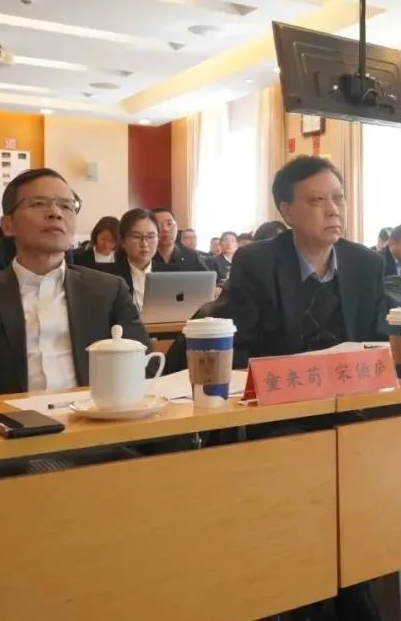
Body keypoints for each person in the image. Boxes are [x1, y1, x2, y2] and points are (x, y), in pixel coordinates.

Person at [165, 155, 385, 619]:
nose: (334, 210)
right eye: (317, 201)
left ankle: (347, 581)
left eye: (339, 198)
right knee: (309, 480)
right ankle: (314, 593)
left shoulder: (365, 262)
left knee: (376, 467)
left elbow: (377, 341)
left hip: (352, 413)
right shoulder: (258, 261)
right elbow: (238, 350)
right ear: (287, 211)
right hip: (277, 416)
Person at [0, 168, 147, 399]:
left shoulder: (109, 291)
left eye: (67, 205)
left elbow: (146, 369)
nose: (55, 213)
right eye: (39, 203)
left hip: (97, 418)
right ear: (8, 225)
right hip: (4, 421)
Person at [107, 208, 160, 313]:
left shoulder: (172, 273)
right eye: (136, 236)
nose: (144, 244)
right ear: (122, 241)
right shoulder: (109, 277)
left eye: (151, 237)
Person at [150, 207, 209, 272]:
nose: (165, 229)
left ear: (176, 226)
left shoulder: (192, 256)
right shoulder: (146, 257)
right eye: (157, 225)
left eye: (169, 224)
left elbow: (209, 277)